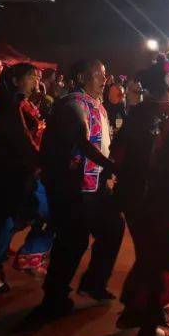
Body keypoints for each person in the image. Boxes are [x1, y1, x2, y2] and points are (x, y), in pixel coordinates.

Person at [113, 50, 169, 336]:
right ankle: (153, 322)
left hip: (134, 199)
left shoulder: (137, 112)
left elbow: (117, 156)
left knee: (146, 255)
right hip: (163, 201)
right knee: (164, 259)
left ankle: (133, 309)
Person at [36, 60, 123, 317]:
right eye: (100, 75)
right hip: (73, 188)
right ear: (85, 76)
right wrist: (111, 165)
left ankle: (93, 283)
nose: (105, 79)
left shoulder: (98, 104)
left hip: (95, 187)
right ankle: (53, 297)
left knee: (113, 228)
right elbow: (83, 142)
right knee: (72, 241)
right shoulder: (73, 103)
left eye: (105, 75)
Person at [0, 63, 52, 294]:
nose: (35, 82)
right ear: (17, 80)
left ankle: (1, 267)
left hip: (25, 172)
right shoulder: (11, 105)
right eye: (31, 77)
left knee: (13, 221)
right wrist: (43, 160)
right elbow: (22, 139)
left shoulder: (23, 103)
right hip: (15, 173)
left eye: (37, 77)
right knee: (9, 222)